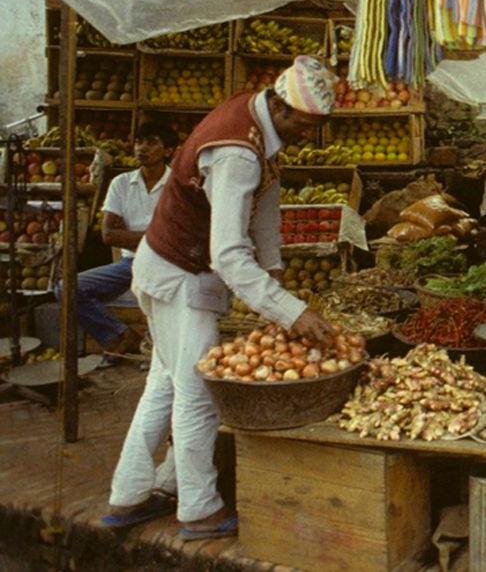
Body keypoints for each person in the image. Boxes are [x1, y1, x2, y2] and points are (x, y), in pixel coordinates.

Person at [104, 56, 338, 540]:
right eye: (304, 126)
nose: (306, 137)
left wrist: (273, 273)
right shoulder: (237, 152)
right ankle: (199, 510)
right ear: (281, 105)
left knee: (165, 384)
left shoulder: (256, 119)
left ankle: (130, 494)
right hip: (180, 276)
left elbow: (265, 203)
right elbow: (229, 256)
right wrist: (291, 312)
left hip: (166, 265)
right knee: (197, 393)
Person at [55, 121, 176, 357]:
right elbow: (108, 235)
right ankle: (119, 334)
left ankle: (156, 350)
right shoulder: (121, 183)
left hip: (167, 263)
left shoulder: (176, 185)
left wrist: (130, 236)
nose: (142, 148)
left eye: (152, 143)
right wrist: (158, 236)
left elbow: (177, 238)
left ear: (169, 151)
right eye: (139, 142)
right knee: (67, 288)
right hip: (130, 264)